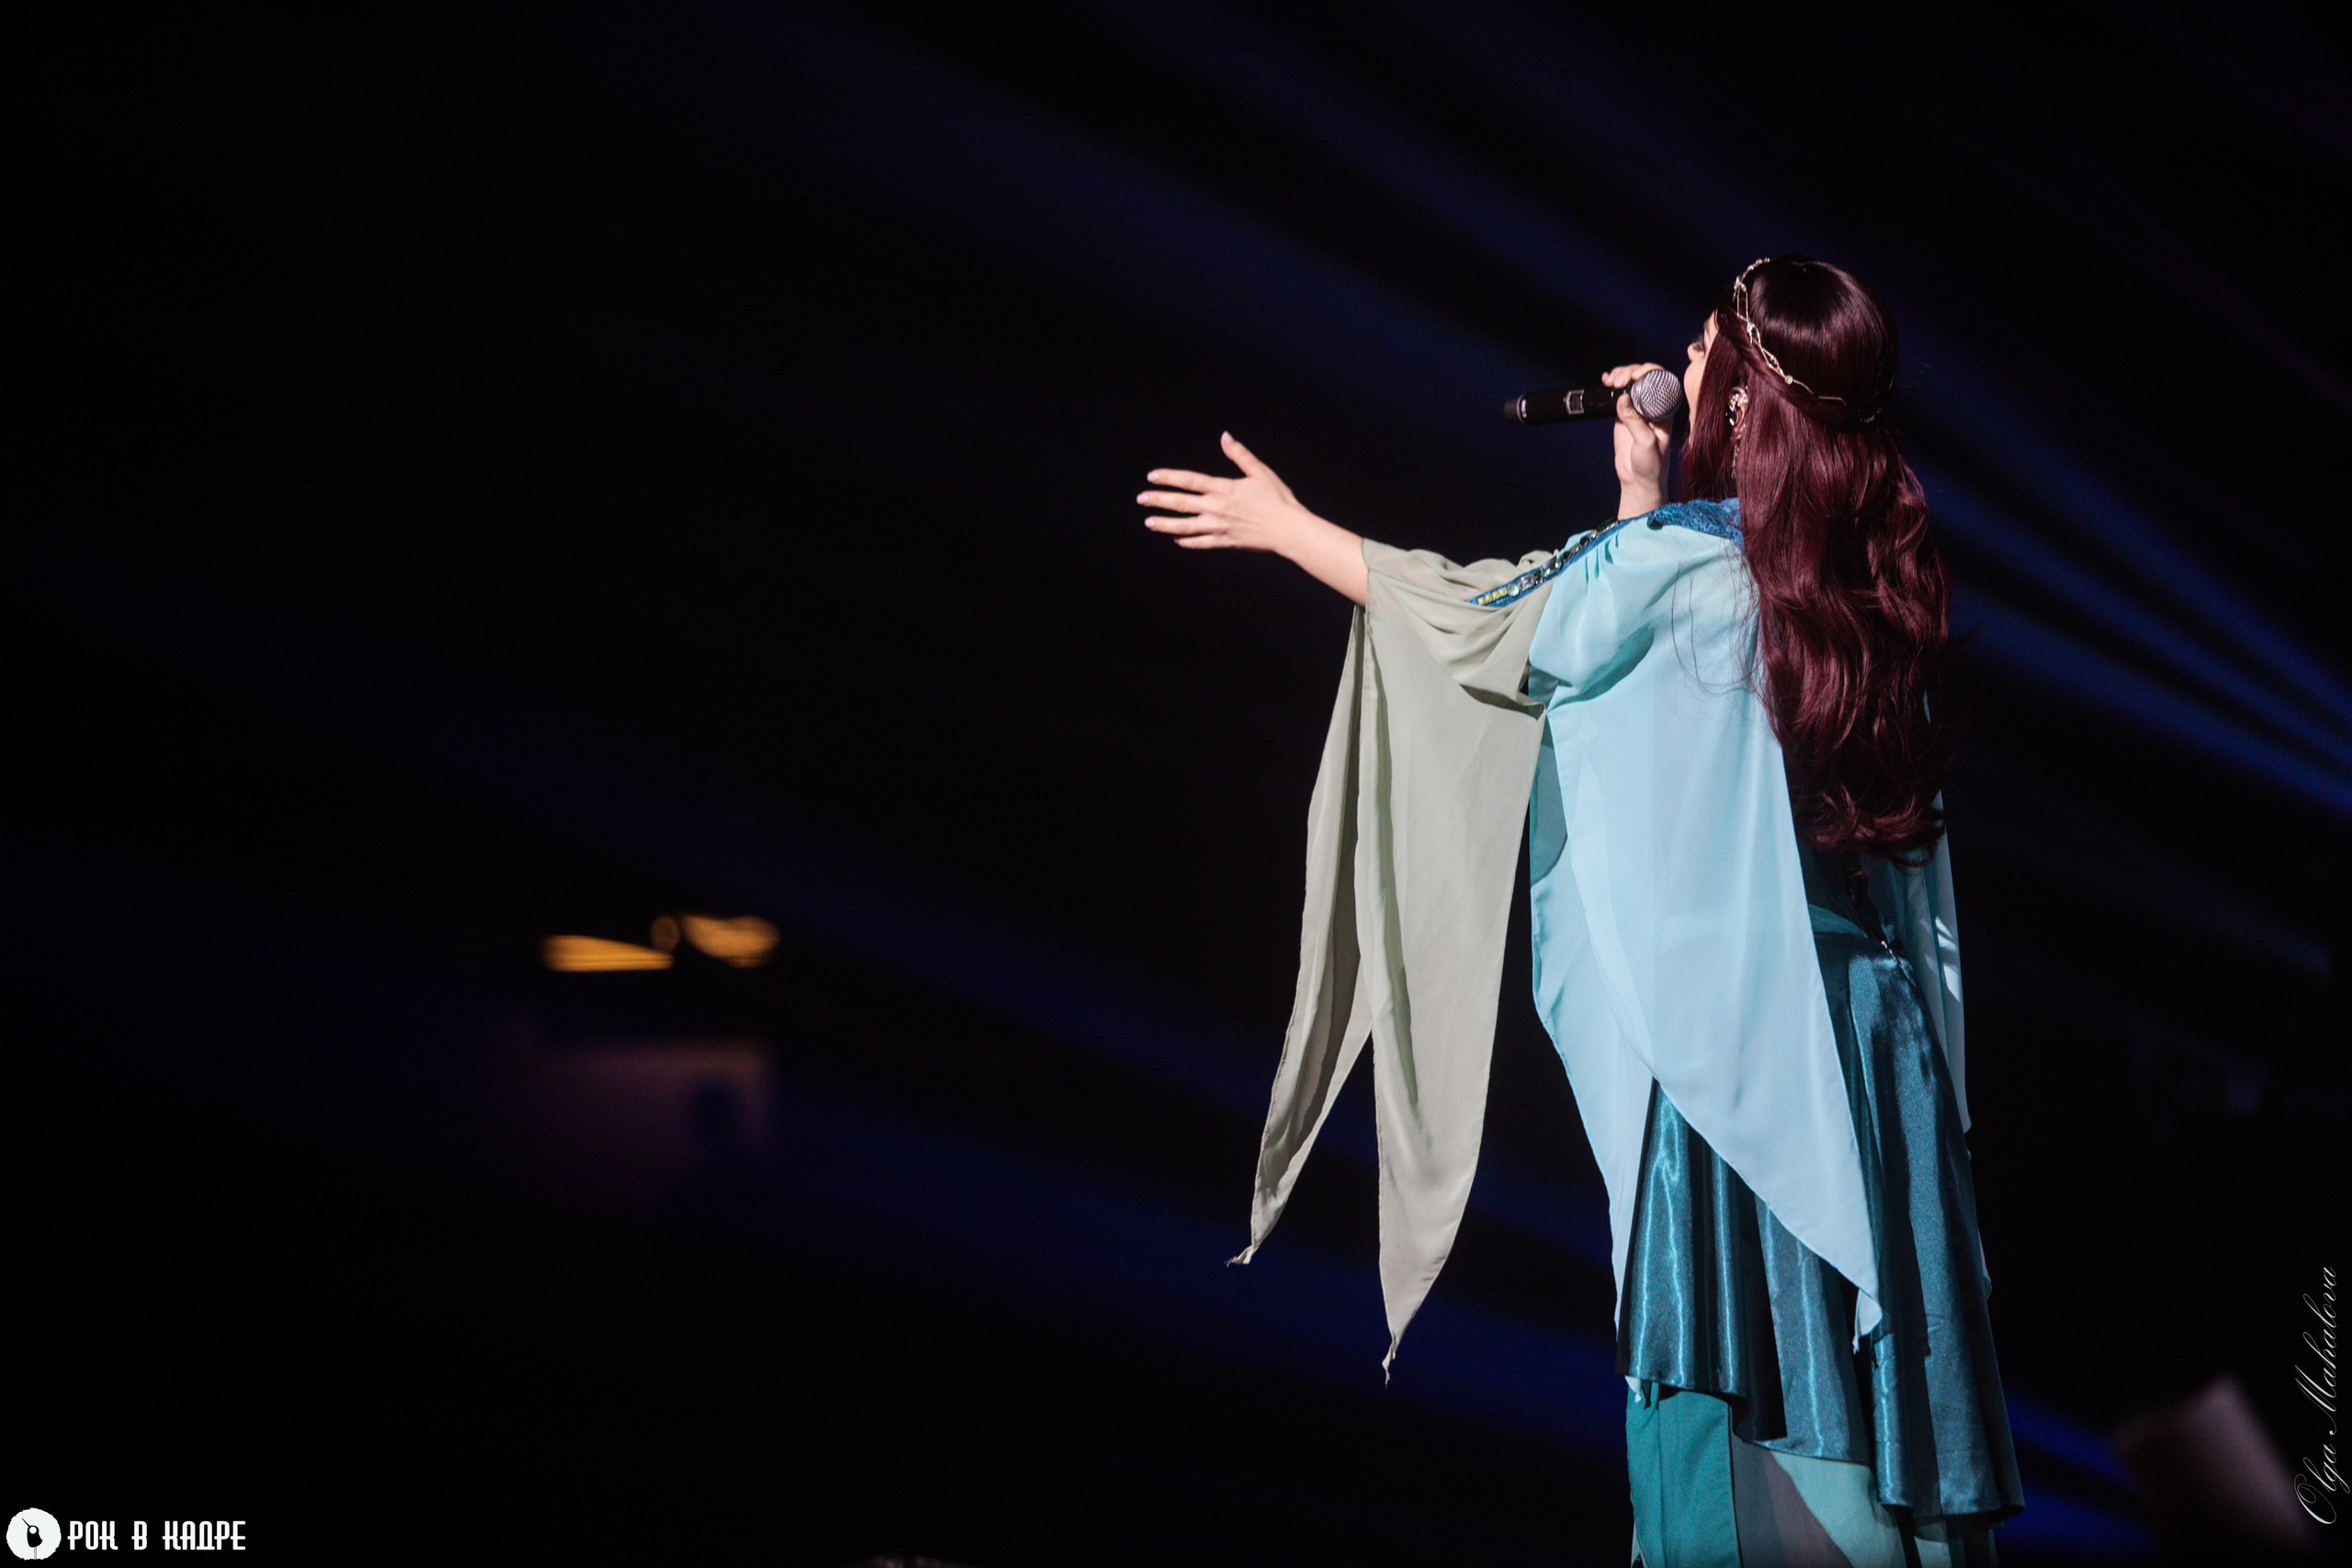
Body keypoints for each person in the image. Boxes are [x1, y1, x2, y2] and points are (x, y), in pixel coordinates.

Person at [1139, 255, 2024, 1565]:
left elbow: (1491, 626)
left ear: (1740, 398)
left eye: (1701, 346)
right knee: (1869, 1391)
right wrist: (1645, 494)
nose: (1678, 359)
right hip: (1869, 1044)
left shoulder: (1687, 571)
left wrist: (1291, 528)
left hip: (1740, 1045)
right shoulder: (1874, 600)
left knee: (1737, 1423)